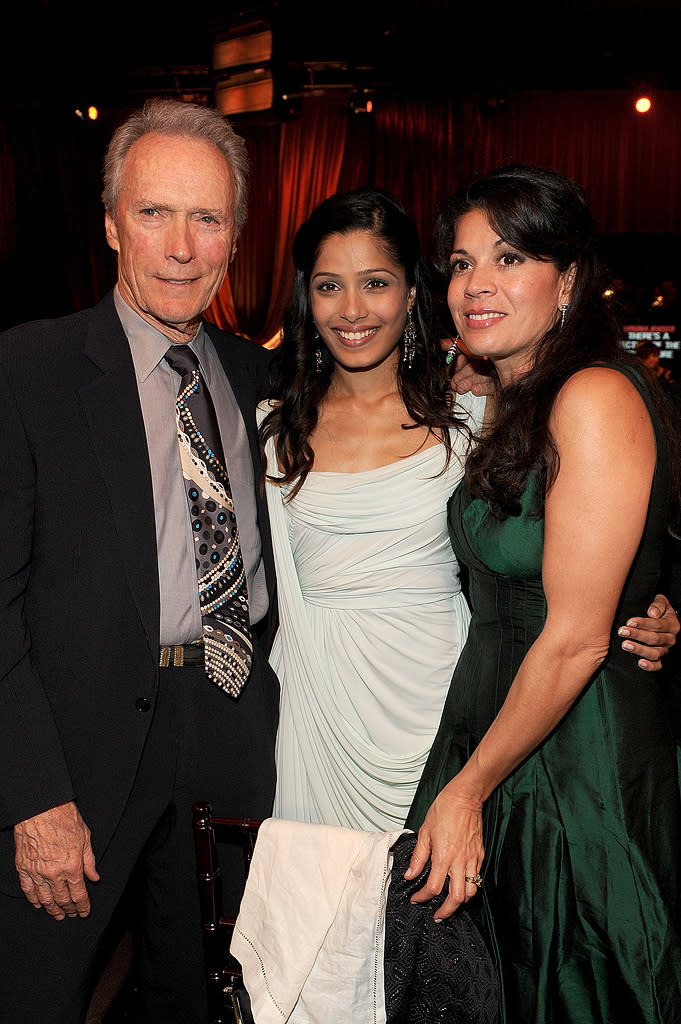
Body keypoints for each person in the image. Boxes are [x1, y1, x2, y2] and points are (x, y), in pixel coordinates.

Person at [258, 186, 678, 834]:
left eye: (375, 281)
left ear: (409, 294)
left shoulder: (474, 420)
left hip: (457, 709)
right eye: (327, 285)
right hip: (317, 709)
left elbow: (571, 571)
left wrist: (635, 601)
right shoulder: (265, 430)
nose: (351, 308)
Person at [0, 97, 280, 1024]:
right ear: (113, 222)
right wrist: (34, 795)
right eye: (155, 213)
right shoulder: (28, 371)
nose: (180, 246)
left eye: (207, 218)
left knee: (208, 995)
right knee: (38, 990)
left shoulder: (260, 379)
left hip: (232, 730)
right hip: (76, 751)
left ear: (236, 237)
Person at [405, 165, 681, 1023]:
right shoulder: (508, 394)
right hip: (501, 731)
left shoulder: (593, 396)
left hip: (574, 754)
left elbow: (574, 637)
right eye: (458, 264)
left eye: (509, 257)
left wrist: (464, 791)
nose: (475, 284)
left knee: (578, 982)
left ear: (566, 279)